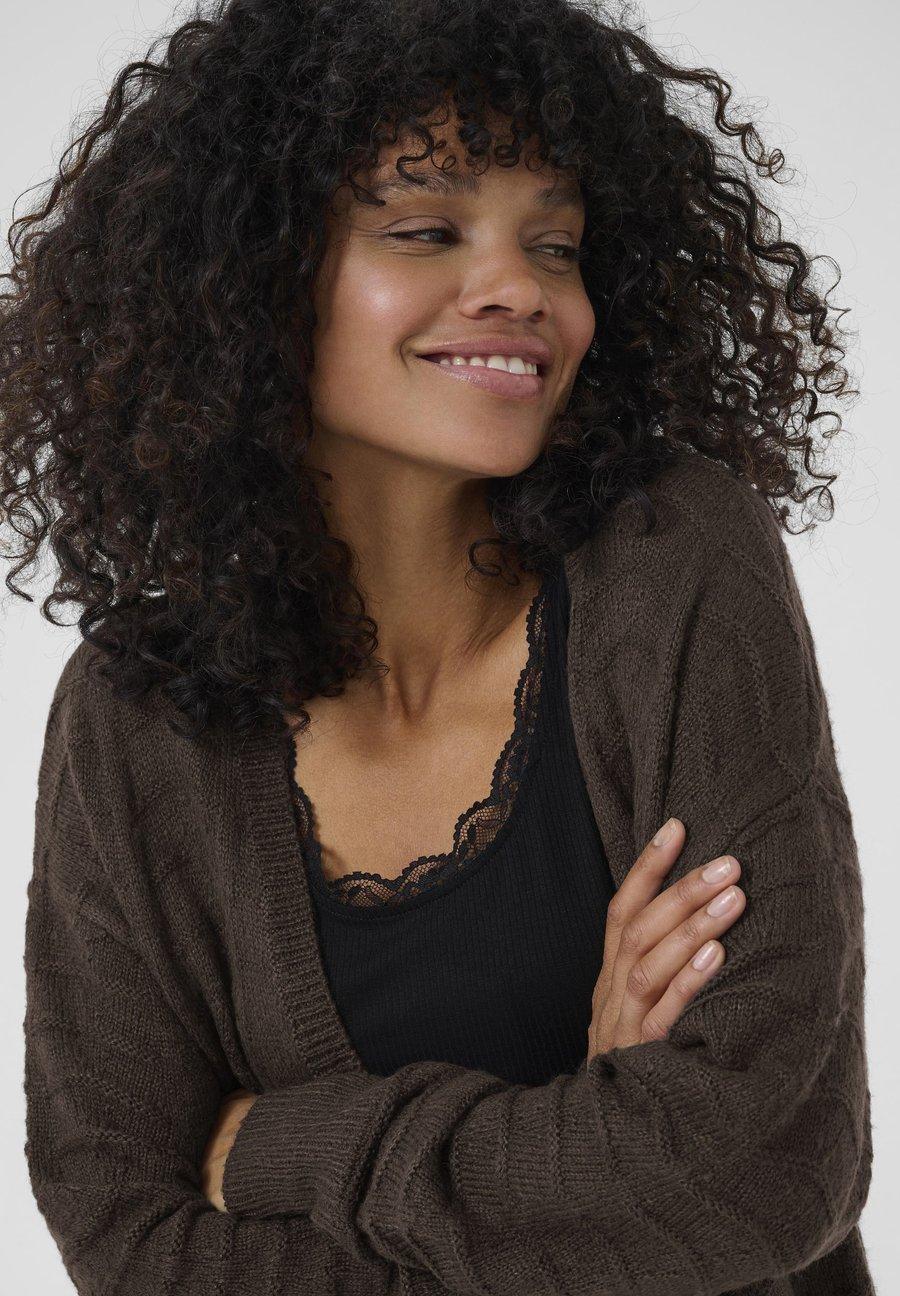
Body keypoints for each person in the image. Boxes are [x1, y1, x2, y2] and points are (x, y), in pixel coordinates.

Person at [3, 1, 873, 1293]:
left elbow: (765, 1173)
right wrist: (595, 1140)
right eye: (425, 231)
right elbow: (128, 1240)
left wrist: (276, 1149)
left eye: (558, 244)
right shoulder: (141, 715)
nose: (523, 289)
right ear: (252, 275)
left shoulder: (671, 562)